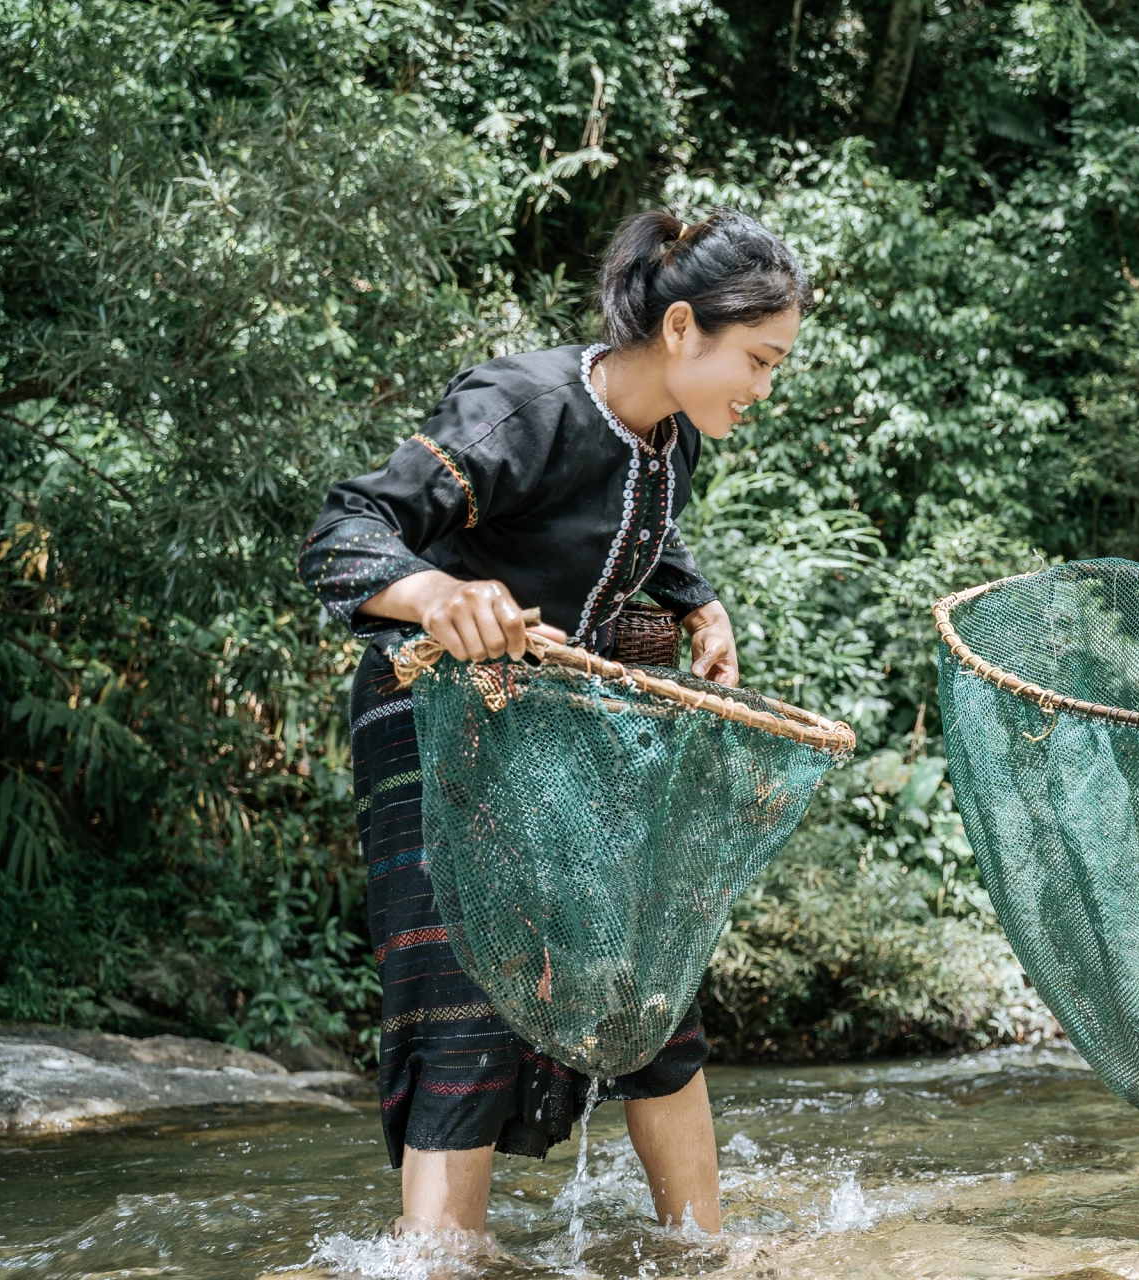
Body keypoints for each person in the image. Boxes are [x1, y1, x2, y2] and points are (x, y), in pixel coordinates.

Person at [296, 209, 809, 1240]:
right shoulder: (522, 406)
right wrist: (439, 594)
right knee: (465, 1001)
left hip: (555, 739)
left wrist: (698, 601)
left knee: (649, 982)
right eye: (757, 360)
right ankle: (437, 1262)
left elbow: (634, 531)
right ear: (680, 329)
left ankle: (703, 1253)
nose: (763, 388)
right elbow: (343, 531)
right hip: (432, 723)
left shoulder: (674, 440)